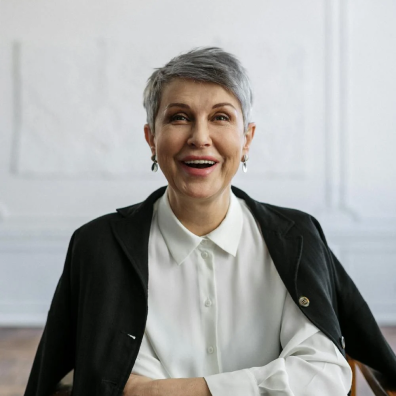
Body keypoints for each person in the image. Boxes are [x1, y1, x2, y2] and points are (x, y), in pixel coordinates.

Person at [25, 47, 396, 396]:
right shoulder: (99, 246)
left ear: (246, 139)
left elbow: (324, 374)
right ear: (151, 138)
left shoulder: (295, 237)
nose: (200, 138)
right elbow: (110, 377)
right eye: (179, 117)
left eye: (220, 117)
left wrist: (173, 390)